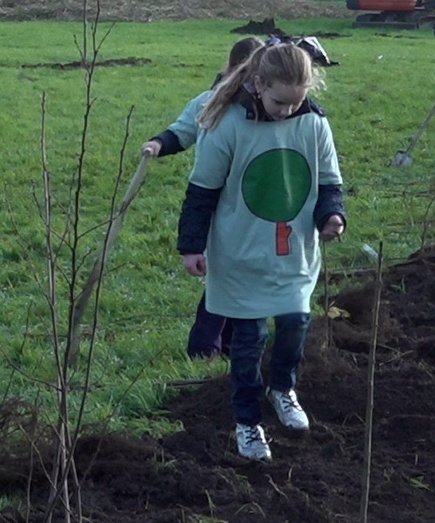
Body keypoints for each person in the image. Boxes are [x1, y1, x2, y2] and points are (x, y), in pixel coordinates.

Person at [176, 42, 345, 462]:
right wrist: (191, 246)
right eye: (279, 101)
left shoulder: (314, 124)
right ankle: (248, 423)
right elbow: (202, 191)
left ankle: (283, 388)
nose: (287, 111)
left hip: (294, 253)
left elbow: (328, 182)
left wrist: (332, 217)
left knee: (295, 324)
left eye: (297, 101)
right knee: (248, 342)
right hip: (240, 254)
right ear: (257, 83)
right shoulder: (227, 126)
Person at [144, 36, 263, 359]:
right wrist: (157, 144)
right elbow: (182, 131)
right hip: (219, 203)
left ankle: (230, 343)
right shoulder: (210, 102)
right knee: (224, 275)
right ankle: (204, 347)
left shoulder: (272, 107)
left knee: (247, 276)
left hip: (256, 205)